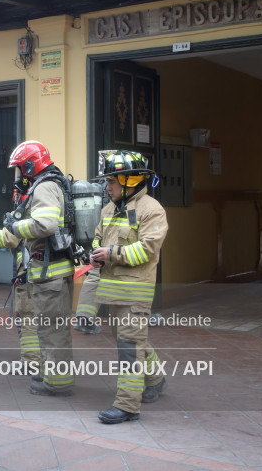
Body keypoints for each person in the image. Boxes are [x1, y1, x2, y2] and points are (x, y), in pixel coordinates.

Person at [91, 150, 169, 424]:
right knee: (133, 340)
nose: (107, 186)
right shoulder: (109, 209)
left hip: (135, 291)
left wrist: (110, 253)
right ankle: (156, 379)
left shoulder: (151, 210)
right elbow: (98, 238)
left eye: (112, 181)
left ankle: (127, 405)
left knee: (128, 347)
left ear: (129, 180)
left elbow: (147, 250)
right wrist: (95, 252)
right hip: (113, 290)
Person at [4, 141, 75, 396]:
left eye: (20, 169)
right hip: (53, 270)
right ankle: (52, 374)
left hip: (49, 273)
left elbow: (45, 225)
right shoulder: (54, 183)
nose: (18, 175)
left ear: (31, 165)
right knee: (52, 327)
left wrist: (14, 227)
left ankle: (57, 383)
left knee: (52, 330)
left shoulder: (44, 186)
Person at [0, 175, 41, 373]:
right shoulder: (46, 207)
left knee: (27, 316)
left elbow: (7, 240)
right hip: (48, 272)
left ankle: (31, 362)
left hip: (28, 272)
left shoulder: (23, 211)